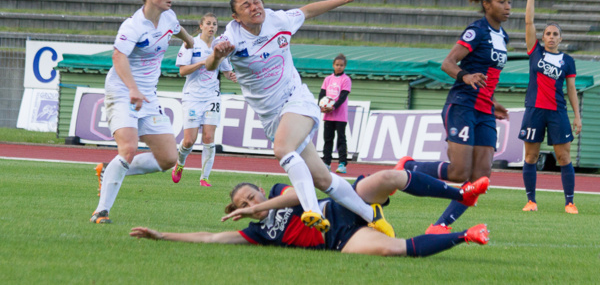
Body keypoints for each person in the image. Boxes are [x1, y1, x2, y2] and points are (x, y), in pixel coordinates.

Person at [204, 0, 395, 237]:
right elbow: (210, 65)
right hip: (272, 116)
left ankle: (311, 210)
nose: (254, 7)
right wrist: (217, 55)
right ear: (236, 17)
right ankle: (372, 216)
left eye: (256, 1)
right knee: (323, 179)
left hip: (297, 99)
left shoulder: (278, 20)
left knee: (282, 149)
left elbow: (308, 10)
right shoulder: (231, 38)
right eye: (246, 6)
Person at [130, 168, 490, 256]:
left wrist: (261, 203)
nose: (249, 205)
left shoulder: (277, 192)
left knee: (389, 176)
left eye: (250, 197)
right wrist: (161, 234)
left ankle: (462, 193)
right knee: (394, 250)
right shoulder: (257, 234)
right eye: (243, 205)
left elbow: (298, 198)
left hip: (343, 205)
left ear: (259, 190)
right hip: (340, 237)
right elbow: (209, 237)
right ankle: (464, 235)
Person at [396, 0, 510, 234]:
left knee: (481, 179)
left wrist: (493, 103)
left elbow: (490, 77)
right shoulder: (477, 31)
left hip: (484, 110)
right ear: (486, 5)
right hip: (461, 104)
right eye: (501, 1)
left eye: (509, 2)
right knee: (459, 173)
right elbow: (447, 63)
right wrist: (465, 76)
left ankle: (440, 226)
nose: (508, 6)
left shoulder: (503, 36)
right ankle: (408, 166)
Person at [90, 0, 194, 224]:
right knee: (128, 149)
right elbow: (118, 56)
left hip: (148, 96)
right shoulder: (133, 25)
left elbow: (178, 28)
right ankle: (101, 211)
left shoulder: (168, 18)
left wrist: (190, 41)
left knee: (168, 159)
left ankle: (107, 170)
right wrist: (133, 88)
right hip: (123, 92)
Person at [518, 0, 582, 214]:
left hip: (557, 112)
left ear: (561, 38)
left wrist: (577, 116)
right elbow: (528, 22)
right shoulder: (534, 52)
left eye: (555, 34)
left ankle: (569, 202)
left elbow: (572, 90)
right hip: (534, 110)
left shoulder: (568, 61)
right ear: (542, 37)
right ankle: (531, 201)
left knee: (564, 157)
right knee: (531, 156)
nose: (551, 37)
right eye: (548, 33)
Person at [171, 13, 237, 187]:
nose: (211, 27)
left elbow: (225, 70)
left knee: (208, 137)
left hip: (211, 96)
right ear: (201, 26)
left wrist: (232, 75)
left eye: (214, 24)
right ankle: (180, 164)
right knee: (189, 140)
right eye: (208, 23)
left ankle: (205, 177)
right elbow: (182, 71)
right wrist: (202, 63)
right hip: (192, 96)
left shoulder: (219, 46)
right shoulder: (190, 43)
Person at [318, 53, 352, 174]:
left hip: (340, 116)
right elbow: (322, 94)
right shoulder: (328, 79)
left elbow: (343, 97)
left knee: (341, 139)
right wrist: (321, 105)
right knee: (328, 139)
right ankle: (326, 163)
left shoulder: (346, 79)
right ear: (333, 65)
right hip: (328, 115)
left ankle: (342, 163)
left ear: (344, 66)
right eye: (337, 65)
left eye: (341, 65)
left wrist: (333, 107)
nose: (339, 67)